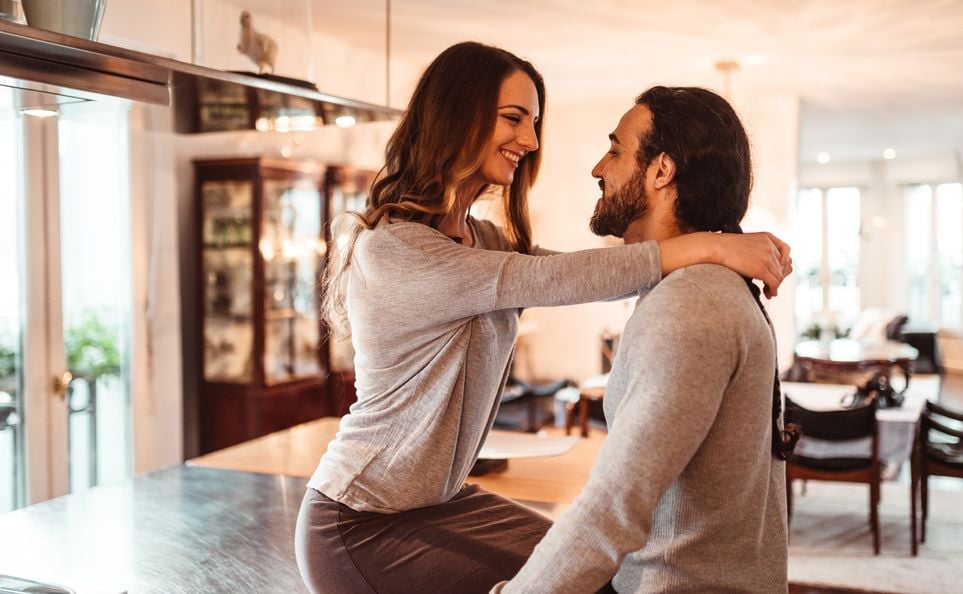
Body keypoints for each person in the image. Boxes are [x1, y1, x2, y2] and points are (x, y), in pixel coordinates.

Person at [295, 42, 792, 594]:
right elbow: (551, 280)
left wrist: (712, 249)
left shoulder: (480, 241)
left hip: (440, 501)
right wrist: (712, 245)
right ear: (456, 117)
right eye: (514, 119)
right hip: (360, 519)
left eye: (533, 123)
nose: (529, 141)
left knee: (587, 571)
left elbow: (570, 271)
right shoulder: (396, 251)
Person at [494, 87, 800, 593]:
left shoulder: (692, 304)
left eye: (615, 150)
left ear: (661, 171)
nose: (599, 168)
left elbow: (614, 508)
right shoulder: (704, 286)